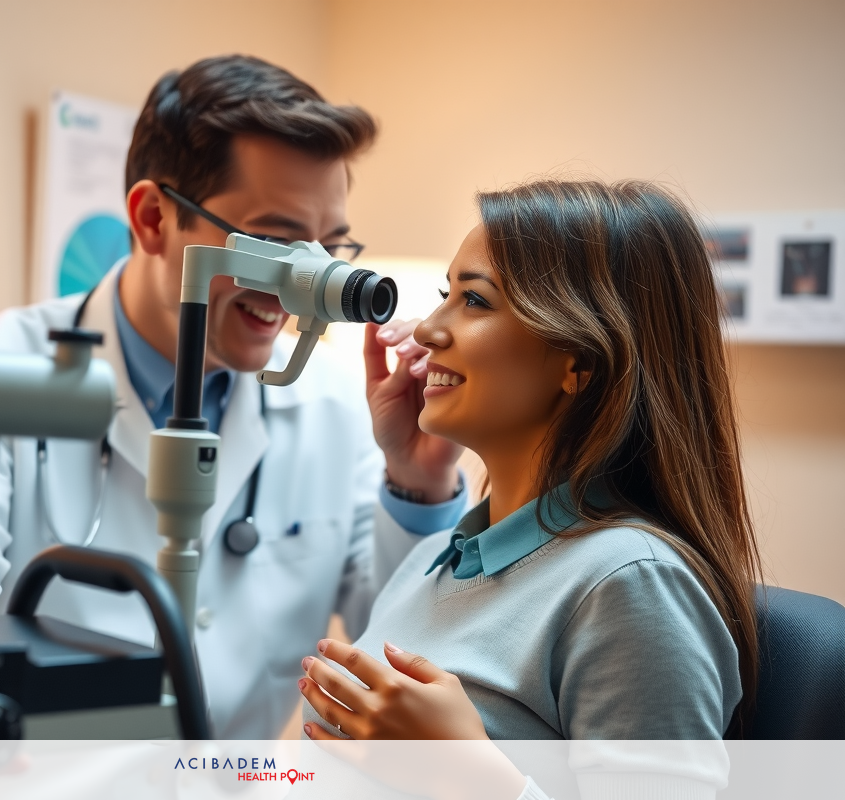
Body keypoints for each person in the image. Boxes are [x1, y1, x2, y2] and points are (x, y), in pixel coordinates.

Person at [0, 55, 470, 739]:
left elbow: (404, 649)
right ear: (152, 220)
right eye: (277, 244)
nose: (299, 286)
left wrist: (420, 484)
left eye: (329, 249)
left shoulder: (334, 404)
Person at [299, 180, 762, 746]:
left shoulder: (630, 586)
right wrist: (414, 476)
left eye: (473, 300)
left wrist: (467, 775)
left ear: (581, 362)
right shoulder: (437, 558)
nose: (425, 329)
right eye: (446, 294)